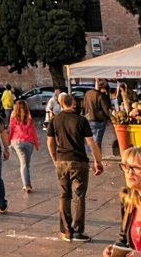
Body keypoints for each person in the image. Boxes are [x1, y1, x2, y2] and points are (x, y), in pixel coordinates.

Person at [46, 92, 105, 242]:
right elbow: (92, 143)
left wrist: (55, 158)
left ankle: (65, 230)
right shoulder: (81, 120)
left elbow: (50, 143)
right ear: (73, 103)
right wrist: (97, 161)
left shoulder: (54, 120)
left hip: (61, 161)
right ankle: (78, 231)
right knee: (79, 196)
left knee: (64, 195)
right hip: (78, 161)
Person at [8, 99, 40, 192]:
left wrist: (9, 142)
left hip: (17, 141)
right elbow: (32, 131)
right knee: (26, 164)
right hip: (29, 142)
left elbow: (11, 130)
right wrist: (36, 143)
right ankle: (27, 184)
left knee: (23, 164)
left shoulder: (13, 116)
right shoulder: (29, 118)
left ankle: (26, 185)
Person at [82, 79, 113, 158]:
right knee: (98, 139)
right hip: (100, 119)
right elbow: (105, 108)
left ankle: (91, 154)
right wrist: (110, 117)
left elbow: (84, 106)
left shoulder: (88, 93)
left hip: (89, 118)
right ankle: (97, 156)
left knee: (91, 138)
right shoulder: (100, 95)